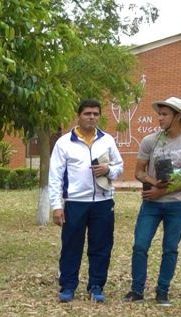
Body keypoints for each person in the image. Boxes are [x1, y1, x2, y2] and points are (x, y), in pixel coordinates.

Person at [123, 97, 181, 305]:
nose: (159, 118)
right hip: (151, 204)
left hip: (177, 204)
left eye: (164, 114)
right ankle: (137, 290)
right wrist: (154, 183)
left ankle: (162, 291)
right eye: (159, 113)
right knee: (140, 245)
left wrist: (162, 191)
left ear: (178, 117)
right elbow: (139, 171)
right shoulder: (151, 140)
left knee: (170, 248)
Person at [47, 98, 124, 303]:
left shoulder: (107, 140)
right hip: (75, 202)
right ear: (78, 116)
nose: (92, 117)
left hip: (103, 201)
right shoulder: (64, 143)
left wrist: (109, 169)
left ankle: (96, 286)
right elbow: (55, 176)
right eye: (87, 113)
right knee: (71, 245)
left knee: (101, 246)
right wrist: (56, 206)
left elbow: (119, 166)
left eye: (96, 114)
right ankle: (68, 286)